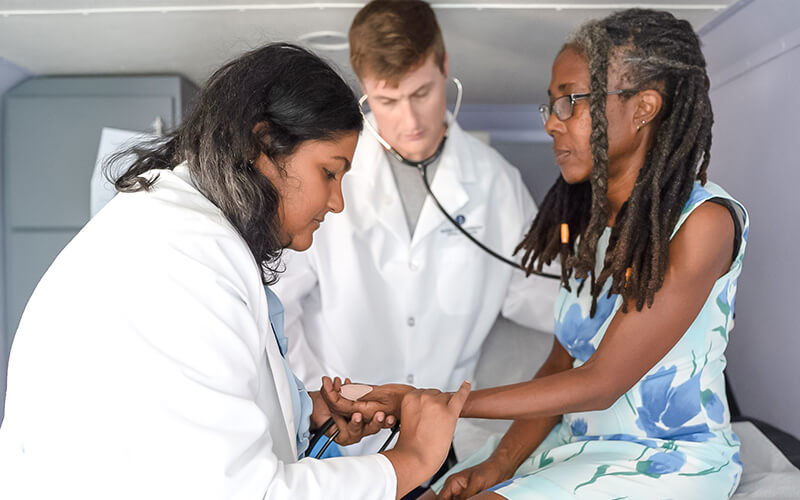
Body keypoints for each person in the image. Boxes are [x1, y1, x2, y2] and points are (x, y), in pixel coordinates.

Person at [0, 43, 470, 500]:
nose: (337, 202)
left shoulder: (187, 232)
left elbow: (190, 422)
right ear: (262, 146)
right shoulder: (184, 262)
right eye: (330, 172)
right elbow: (243, 491)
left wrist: (303, 414)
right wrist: (409, 463)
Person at [327, 8, 748, 499]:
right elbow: (559, 366)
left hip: (664, 456)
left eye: (570, 101)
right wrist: (498, 463)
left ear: (644, 107)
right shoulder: (586, 228)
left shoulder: (704, 223)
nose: (552, 123)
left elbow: (600, 382)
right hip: (573, 444)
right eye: (550, 106)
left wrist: (436, 404)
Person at [272, 0, 559, 457]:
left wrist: (616, 297)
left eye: (422, 93)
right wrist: (309, 395)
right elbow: (280, 303)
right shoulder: (327, 172)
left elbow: (538, 295)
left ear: (444, 67)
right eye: (387, 100)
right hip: (338, 432)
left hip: (446, 440)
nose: (409, 121)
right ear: (363, 88)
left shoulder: (493, 181)